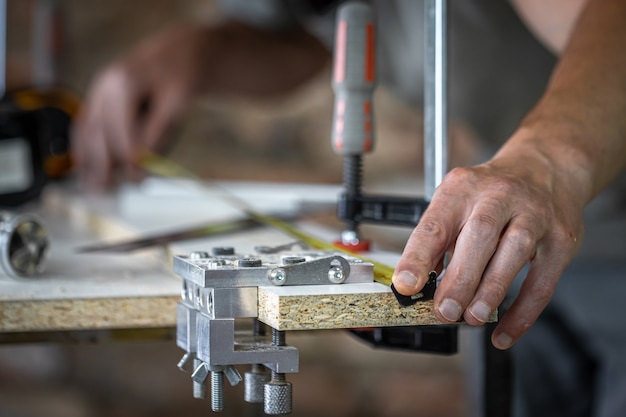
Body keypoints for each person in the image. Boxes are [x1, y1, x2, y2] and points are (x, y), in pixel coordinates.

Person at [73, 1, 626, 416]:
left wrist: (547, 161)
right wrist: (204, 52)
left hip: (572, 211)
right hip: (509, 245)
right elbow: (302, 37)